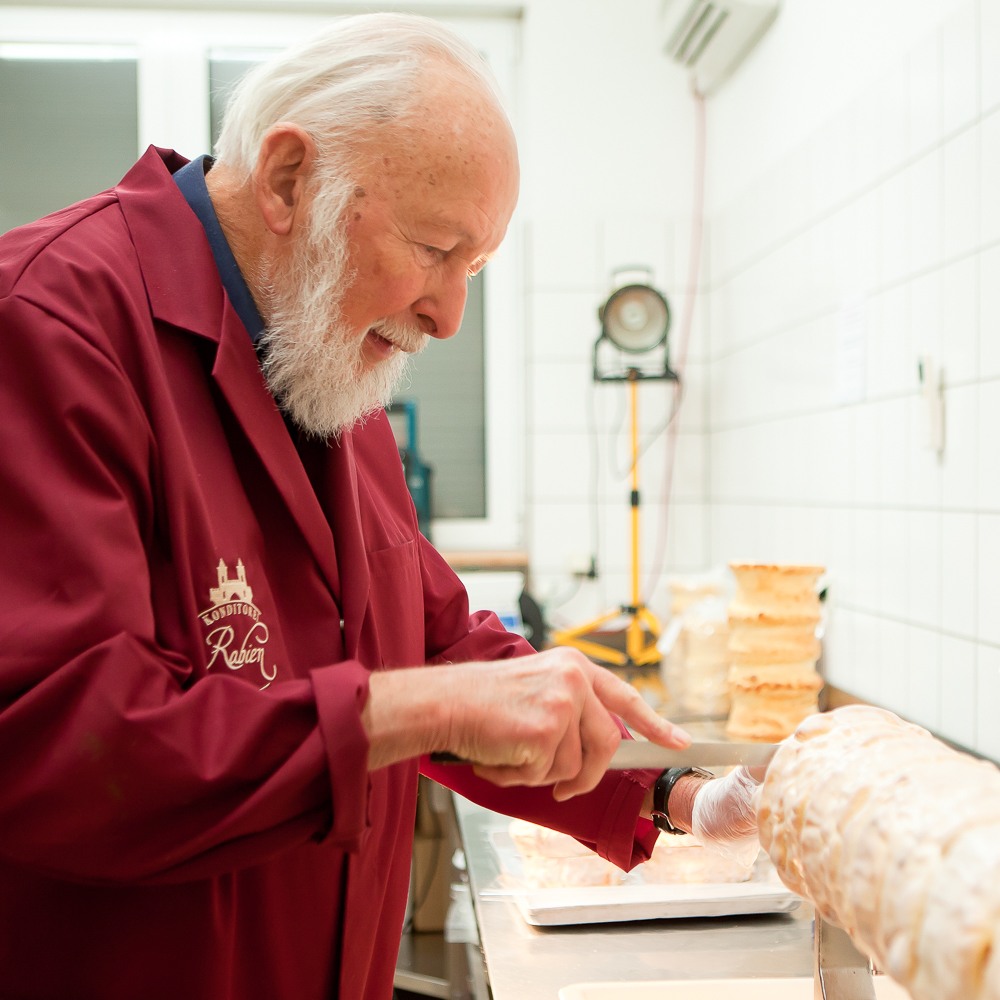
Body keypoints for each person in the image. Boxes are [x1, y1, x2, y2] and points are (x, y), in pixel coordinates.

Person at [0, 13, 759, 1000]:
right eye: (434, 247)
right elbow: (60, 745)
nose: (449, 317)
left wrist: (670, 789)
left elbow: (430, 647)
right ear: (288, 181)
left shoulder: (318, 356)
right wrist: (424, 708)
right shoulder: (49, 323)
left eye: (472, 269)